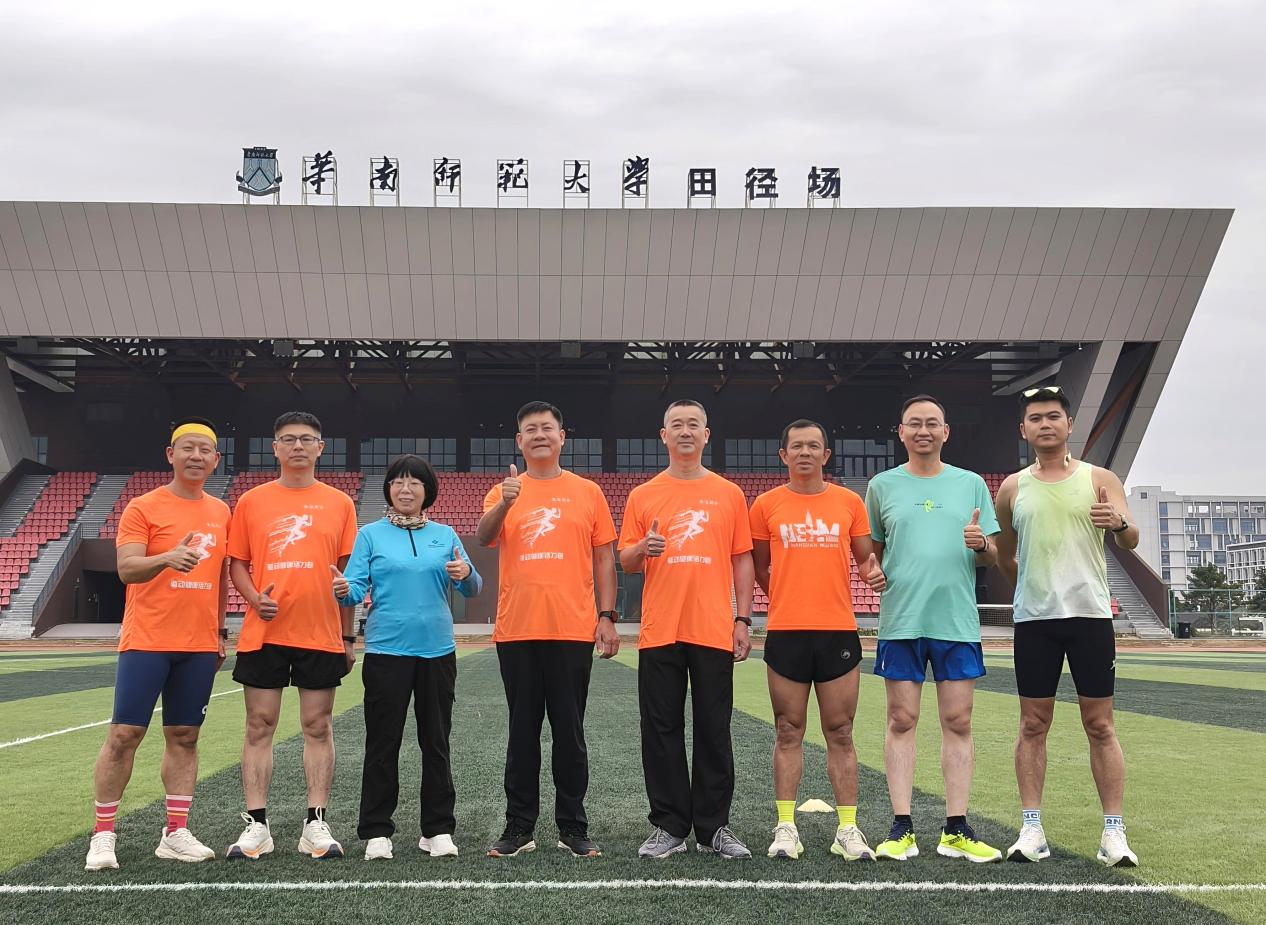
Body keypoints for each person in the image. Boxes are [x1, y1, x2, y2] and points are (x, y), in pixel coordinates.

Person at [993, 385, 1140, 867]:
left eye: (1053, 416)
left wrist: (1118, 523)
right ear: (1023, 429)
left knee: (1100, 724)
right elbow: (1006, 555)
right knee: (1033, 724)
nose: (1045, 424)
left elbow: (1131, 539)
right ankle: (1032, 828)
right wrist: (1024, 586)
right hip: (1035, 621)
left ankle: (1113, 832)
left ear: (1069, 424)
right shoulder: (1012, 488)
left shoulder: (1100, 478)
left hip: (1090, 617)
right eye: (1035, 418)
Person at [85, 418, 230, 871]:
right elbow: (126, 569)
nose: (196, 456)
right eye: (187, 448)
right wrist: (167, 557)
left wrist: (219, 632)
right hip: (147, 639)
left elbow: (221, 577)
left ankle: (175, 832)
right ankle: (103, 835)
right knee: (124, 735)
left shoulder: (222, 512)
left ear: (215, 460)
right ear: (171, 455)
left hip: (199, 643)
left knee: (185, 736)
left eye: (204, 450)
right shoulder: (142, 507)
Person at [476, 401, 620, 859]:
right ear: (519, 441)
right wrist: (506, 501)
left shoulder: (588, 492)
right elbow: (484, 537)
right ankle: (519, 826)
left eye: (547, 428)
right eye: (530, 430)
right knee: (522, 734)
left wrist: (607, 615)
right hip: (517, 629)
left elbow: (604, 558)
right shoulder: (503, 490)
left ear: (562, 436)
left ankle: (572, 826)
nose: (540, 435)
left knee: (569, 734)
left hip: (572, 630)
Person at [864, 395, 1002, 863]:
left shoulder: (971, 484)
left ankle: (956, 828)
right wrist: (871, 572)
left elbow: (992, 555)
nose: (923, 430)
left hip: (955, 620)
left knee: (958, 721)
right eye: (914, 423)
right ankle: (901, 827)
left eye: (932, 423)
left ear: (946, 432)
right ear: (901, 432)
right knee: (901, 719)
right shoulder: (882, 486)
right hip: (902, 619)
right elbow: (873, 554)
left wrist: (981, 544)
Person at [619, 399, 755, 860]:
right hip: (660, 629)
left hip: (713, 627)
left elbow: (742, 558)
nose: (684, 431)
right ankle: (670, 826)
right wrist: (644, 547)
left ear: (706, 434)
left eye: (693, 424)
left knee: (714, 729)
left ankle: (714, 827)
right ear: (663, 435)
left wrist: (742, 618)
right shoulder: (643, 495)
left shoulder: (728, 494)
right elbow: (626, 560)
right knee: (661, 729)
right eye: (676, 425)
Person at [750, 419, 886, 862]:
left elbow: (866, 559)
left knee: (841, 731)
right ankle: (785, 827)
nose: (805, 452)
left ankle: (847, 829)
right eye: (797, 446)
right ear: (783, 455)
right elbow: (760, 566)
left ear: (826, 455)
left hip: (837, 631)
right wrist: (785, 599)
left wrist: (873, 572)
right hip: (786, 632)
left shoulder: (849, 502)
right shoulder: (766, 505)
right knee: (787, 729)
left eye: (813, 446)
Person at [225, 411, 359, 861]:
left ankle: (315, 823)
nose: (297, 446)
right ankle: (257, 825)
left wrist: (348, 638)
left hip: (320, 632)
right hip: (265, 633)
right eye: (288, 439)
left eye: (306, 439)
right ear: (275, 448)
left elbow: (346, 577)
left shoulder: (340, 503)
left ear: (321, 447)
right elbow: (237, 563)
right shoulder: (251, 501)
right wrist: (252, 599)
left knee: (318, 725)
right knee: (259, 724)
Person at [334, 455, 481, 861]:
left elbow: (473, 587)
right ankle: (377, 831)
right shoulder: (370, 535)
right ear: (388, 489)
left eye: (414, 482)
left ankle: (437, 830)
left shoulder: (445, 534)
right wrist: (342, 589)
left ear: (427, 491)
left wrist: (464, 574)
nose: (405, 488)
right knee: (383, 742)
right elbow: (353, 589)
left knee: (436, 742)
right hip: (387, 651)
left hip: (437, 651)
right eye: (398, 481)